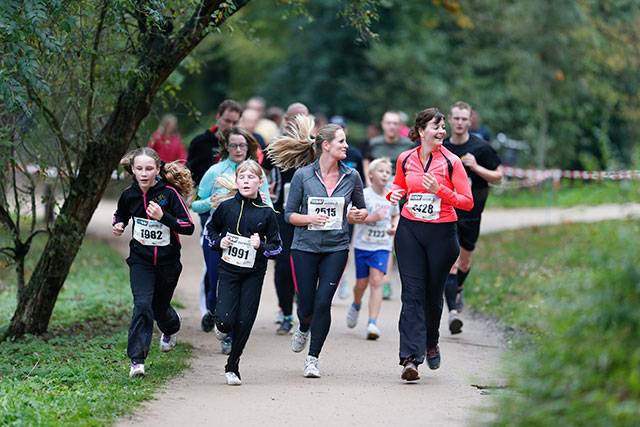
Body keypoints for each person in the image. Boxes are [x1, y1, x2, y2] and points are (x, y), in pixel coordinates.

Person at [267, 115, 368, 378]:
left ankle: (312, 358)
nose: (347, 146)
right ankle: (302, 327)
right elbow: (289, 215)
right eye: (342, 141)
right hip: (304, 247)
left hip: (336, 247)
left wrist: (357, 215)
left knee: (324, 303)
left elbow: (360, 210)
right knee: (306, 306)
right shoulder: (302, 175)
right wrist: (309, 218)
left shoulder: (352, 175)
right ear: (326, 145)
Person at [387, 107, 473, 381]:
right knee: (411, 294)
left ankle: (431, 341)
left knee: (432, 299)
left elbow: (467, 201)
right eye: (436, 126)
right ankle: (410, 359)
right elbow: (398, 188)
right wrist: (394, 194)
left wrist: (441, 191)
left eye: (443, 126)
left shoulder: (451, 162)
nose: (442, 131)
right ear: (421, 131)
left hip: (442, 235)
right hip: (410, 230)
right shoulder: (404, 158)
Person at [112, 147, 195, 378]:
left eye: (149, 168)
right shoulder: (129, 194)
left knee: (160, 308)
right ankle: (137, 361)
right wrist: (118, 224)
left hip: (168, 262)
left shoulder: (169, 194)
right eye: (139, 169)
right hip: (141, 260)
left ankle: (171, 326)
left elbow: (188, 227)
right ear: (133, 171)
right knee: (142, 305)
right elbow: (121, 214)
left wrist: (163, 217)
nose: (144, 173)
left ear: (158, 169)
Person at [191, 128, 272, 354]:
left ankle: (230, 336)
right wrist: (212, 201)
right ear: (226, 146)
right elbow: (195, 204)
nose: (238, 150)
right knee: (218, 284)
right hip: (219, 235)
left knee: (241, 286)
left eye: (243, 146)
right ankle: (215, 312)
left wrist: (265, 203)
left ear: (249, 148)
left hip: (246, 240)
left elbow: (271, 209)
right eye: (234, 145)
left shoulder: (257, 173)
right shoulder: (214, 172)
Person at [205, 160, 282, 385]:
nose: (246, 181)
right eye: (242, 177)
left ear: (260, 182)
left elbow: (277, 247)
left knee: (245, 321)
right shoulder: (226, 207)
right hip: (228, 270)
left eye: (251, 178)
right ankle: (219, 323)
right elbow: (210, 230)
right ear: (236, 181)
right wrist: (220, 241)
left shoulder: (267, 213)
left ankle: (233, 365)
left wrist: (261, 247)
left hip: (253, 273)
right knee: (225, 322)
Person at [443, 101, 503, 334]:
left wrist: (476, 167)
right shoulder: (442, 147)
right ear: (449, 119)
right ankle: (453, 314)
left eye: (463, 119)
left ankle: (457, 290)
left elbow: (499, 177)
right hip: (447, 212)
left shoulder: (480, 147)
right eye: (455, 118)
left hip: (471, 213)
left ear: (470, 121)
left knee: (464, 262)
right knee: (452, 263)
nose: (459, 123)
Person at [186, 99, 242, 330]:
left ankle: (227, 313)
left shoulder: (243, 144)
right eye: (226, 120)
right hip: (208, 208)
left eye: (235, 122)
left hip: (238, 210)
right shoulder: (201, 142)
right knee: (213, 261)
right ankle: (210, 307)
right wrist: (193, 197)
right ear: (218, 118)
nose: (229, 125)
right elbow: (189, 171)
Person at [267, 102, 310, 335]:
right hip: (281, 215)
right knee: (283, 265)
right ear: (286, 119)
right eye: (295, 117)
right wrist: (266, 191)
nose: (298, 121)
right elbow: (260, 172)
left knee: (307, 265)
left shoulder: (316, 146)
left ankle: (305, 311)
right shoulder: (276, 145)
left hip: (308, 215)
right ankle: (285, 313)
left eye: (303, 117)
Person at [362, 110, 415, 300]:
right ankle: (378, 279)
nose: (392, 126)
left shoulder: (407, 145)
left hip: (400, 198)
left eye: (395, 123)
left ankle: (385, 281)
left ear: (400, 126)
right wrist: (369, 181)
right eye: (388, 123)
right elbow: (366, 159)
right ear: (382, 125)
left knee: (391, 238)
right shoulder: (375, 143)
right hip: (379, 196)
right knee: (380, 237)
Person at [346, 157, 399, 339]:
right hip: (363, 245)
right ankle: (356, 303)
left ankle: (372, 323)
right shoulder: (364, 195)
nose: (385, 175)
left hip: (382, 246)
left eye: (388, 172)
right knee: (362, 283)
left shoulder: (392, 196)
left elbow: (396, 215)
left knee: (377, 281)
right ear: (370, 174)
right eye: (381, 171)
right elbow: (351, 218)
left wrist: (394, 226)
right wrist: (371, 218)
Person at [329, 115, 365, 300]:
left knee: (345, 245)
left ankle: (340, 277)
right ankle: (329, 280)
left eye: (342, 128)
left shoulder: (355, 154)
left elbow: (362, 184)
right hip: (327, 206)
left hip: (347, 207)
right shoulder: (324, 154)